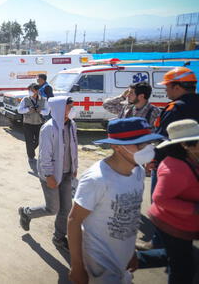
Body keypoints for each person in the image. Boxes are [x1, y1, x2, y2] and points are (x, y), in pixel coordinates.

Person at [67, 117, 164, 284]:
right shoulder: (97, 179)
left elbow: (131, 216)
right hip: (100, 267)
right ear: (117, 146)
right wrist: (77, 266)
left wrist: (131, 252)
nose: (147, 148)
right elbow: (74, 220)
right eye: (139, 144)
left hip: (123, 261)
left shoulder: (138, 172)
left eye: (148, 143)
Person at [135, 119, 199, 283]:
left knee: (176, 256)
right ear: (186, 144)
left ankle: (128, 259)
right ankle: (125, 260)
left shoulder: (191, 158)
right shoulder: (175, 167)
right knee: (182, 268)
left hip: (183, 223)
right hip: (172, 223)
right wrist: (194, 209)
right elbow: (160, 199)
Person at [18, 96, 78, 250]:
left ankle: (59, 238)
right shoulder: (49, 128)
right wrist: (49, 176)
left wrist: (75, 166)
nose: (71, 111)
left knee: (66, 209)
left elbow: (74, 147)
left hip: (66, 174)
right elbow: (45, 155)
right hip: (50, 174)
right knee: (53, 208)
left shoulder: (72, 125)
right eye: (69, 108)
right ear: (59, 109)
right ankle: (26, 213)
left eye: (71, 108)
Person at [148, 67, 198, 250]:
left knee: (163, 205)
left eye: (168, 86)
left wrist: (153, 161)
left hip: (171, 165)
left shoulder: (174, 108)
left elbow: (162, 139)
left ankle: (160, 245)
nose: (166, 91)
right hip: (195, 167)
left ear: (177, 87)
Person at [17, 84, 49, 164]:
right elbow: (19, 110)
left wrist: (40, 111)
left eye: (31, 90)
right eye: (29, 90)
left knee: (39, 140)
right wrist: (28, 109)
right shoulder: (25, 99)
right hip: (27, 123)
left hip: (39, 123)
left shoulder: (44, 100)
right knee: (29, 141)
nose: (30, 92)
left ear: (37, 91)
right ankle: (31, 156)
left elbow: (47, 112)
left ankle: (30, 150)